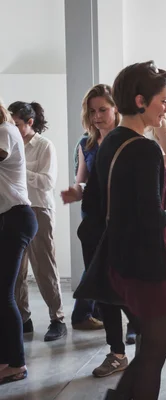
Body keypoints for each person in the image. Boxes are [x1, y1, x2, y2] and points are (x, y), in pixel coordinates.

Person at [85, 61, 166, 399]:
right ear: (139, 101)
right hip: (149, 265)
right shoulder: (145, 149)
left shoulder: (112, 141)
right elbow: (151, 218)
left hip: (122, 260)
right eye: (162, 100)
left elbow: (103, 204)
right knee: (153, 351)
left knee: (149, 347)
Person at [61, 84, 140, 377]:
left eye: (102, 110)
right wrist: (75, 190)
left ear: (115, 108)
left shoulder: (130, 141)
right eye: (92, 111)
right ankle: (116, 352)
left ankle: (146, 336)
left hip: (125, 226)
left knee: (130, 285)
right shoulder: (87, 144)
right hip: (94, 225)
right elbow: (83, 181)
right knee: (104, 291)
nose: (97, 116)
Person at [8, 101, 66, 342]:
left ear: (29, 123)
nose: (12, 128)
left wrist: (19, 169)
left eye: (17, 124)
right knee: (18, 271)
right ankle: (24, 319)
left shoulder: (44, 146)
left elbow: (47, 182)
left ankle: (58, 319)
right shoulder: (9, 143)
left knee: (44, 267)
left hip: (39, 209)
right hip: (14, 210)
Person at [0, 101, 37, 384]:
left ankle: (17, 364)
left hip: (17, 217)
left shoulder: (6, 130)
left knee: (5, 294)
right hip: (7, 218)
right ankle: (6, 359)